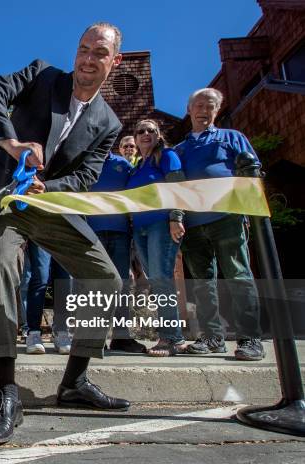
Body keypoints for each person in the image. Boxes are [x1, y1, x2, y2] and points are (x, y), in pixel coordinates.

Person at [0, 22, 129, 444]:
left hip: (51, 207)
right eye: (83, 49)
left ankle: (74, 382)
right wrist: (12, 144)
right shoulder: (42, 75)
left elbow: (87, 176)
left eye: (99, 53)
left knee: (106, 278)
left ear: (114, 62)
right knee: (2, 264)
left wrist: (48, 188)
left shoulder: (108, 122)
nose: (87, 59)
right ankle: (7, 391)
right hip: (5, 201)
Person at [175, 87, 265, 361]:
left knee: (238, 276)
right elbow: (175, 187)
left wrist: (247, 213)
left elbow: (252, 175)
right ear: (189, 110)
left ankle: (250, 339)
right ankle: (212, 337)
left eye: (210, 106)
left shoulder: (232, 138)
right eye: (199, 105)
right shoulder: (179, 149)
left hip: (227, 218)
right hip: (192, 223)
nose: (204, 110)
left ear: (217, 111)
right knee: (202, 283)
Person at [126, 119, 187, 357]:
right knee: (157, 281)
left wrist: (176, 217)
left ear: (158, 135)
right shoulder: (138, 165)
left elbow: (178, 187)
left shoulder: (167, 156)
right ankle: (175, 338)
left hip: (161, 225)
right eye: (141, 131)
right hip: (139, 228)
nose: (146, 134)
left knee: (162, 280)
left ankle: (171, 338)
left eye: (151, 130)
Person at [88, 152, 147, 353]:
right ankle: (96, 339)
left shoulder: (122, 164)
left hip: (121, 232)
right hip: (92, 233)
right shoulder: (86, 161)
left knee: (122, 285)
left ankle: (121, 338)